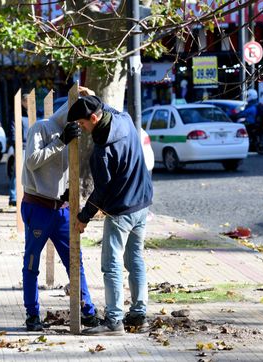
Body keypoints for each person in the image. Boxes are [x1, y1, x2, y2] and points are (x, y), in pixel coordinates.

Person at [68, 95, 153, 336]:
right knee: (135, 259)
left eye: (83, 124)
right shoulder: (123, 120)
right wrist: (90, 95)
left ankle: (114, 320)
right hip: (143, 203)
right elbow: (107, 108)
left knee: (111, 265)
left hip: (121, 212)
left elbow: (102, 192)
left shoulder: (101, 152)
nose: (82, 129)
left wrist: (83, 217)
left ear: (94, 118)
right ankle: (138, 314)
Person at [20, 90, 100, 331]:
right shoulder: (41, 128)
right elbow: (32, 161)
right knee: (32, 263)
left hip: (62, 208)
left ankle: (87, 311)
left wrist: (69, 190)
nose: (82, 125)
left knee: (75, 261)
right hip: (38, 206)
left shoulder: (75, 131)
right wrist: (60, 142)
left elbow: (68, 167)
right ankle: (32, 314)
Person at [7, 94, 30, 206]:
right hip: (21, 147)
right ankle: (13, 197)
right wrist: (16, 147)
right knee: (17, 173)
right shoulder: (17, 115)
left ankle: (26, 196)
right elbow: (13, 132)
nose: (29, 103)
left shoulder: (33, 114)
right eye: (27, 101)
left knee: (29, 173)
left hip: (31, 147)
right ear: (22, 102)